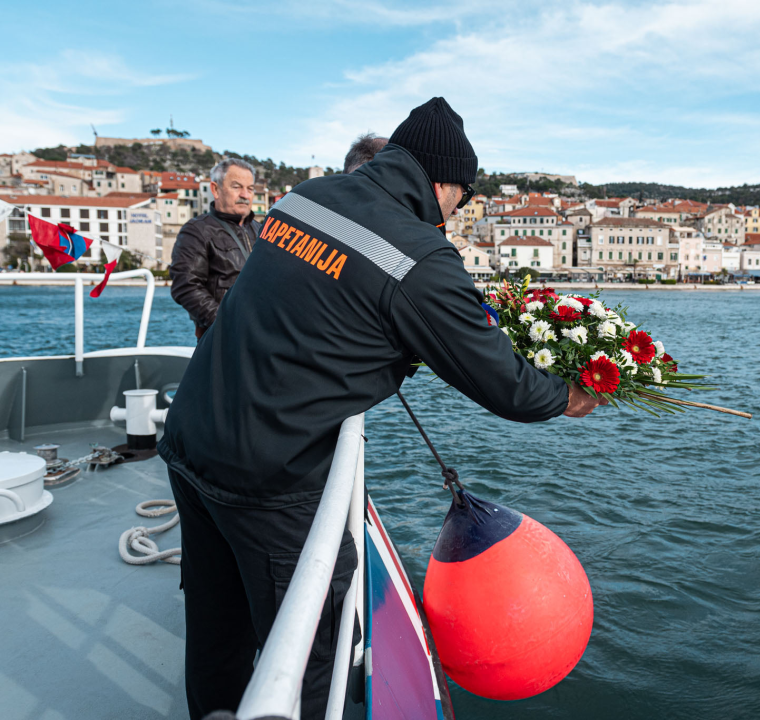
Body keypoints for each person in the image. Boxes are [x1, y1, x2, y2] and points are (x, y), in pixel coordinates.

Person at [159, 97, 605, 720]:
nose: (458, 212)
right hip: (266, 475)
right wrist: (572, 396)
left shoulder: (304, 199)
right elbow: (505, 386)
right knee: (312, 653)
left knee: (215, 627)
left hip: (188, 438)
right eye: (465, 198)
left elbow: (319, 307)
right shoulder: (421, 257)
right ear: (445, 183)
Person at [170, 158, 260, 338]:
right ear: (215, 189)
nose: (245, 194)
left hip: (261, 334)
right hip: (222, 338)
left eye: (250, 188)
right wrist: (226, 324)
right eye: (236, 187)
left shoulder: (261, 230)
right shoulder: (196, 230)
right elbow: (186, 286)